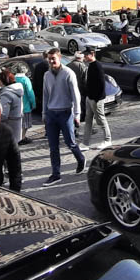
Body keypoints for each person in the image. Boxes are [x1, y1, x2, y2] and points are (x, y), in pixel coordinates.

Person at [42, 48, 85, 186]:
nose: (51, 61)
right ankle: (56, 174)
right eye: (49, 58)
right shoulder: (47, 75)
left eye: (53, 58)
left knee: (70, 143)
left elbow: (75, 95)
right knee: (53, 147)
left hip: (65, 113)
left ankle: (80, 159)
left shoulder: (68, 73)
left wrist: (77, 114)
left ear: (59, 58)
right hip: (51, 115)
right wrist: (44, 113)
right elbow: (45, 95)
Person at [82, 47, 113, 148]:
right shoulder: (90, 65)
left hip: (96, 99)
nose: (85, 57)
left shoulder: (97, 66)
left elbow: (101, 84)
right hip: (90, 98)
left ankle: (107, 139)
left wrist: (96, 99)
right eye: (84, 55)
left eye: (86, 55)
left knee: (101, 119)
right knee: (88, 120)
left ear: (92, 54)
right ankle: (85, 143)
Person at [0, 70, 24, 144]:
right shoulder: (16, 90)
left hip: (8, 128)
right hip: (16, 125)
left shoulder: (6, 95)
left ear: (3, 81)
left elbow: (3, 115)